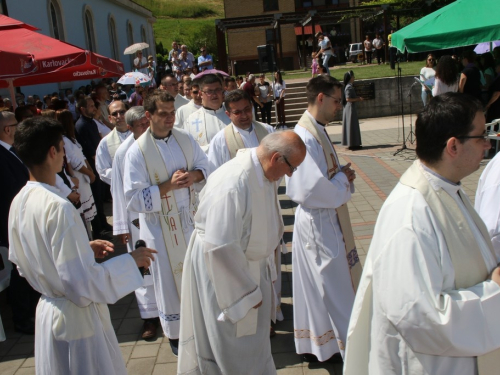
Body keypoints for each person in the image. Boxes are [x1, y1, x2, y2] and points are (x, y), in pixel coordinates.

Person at [343, 92, 500, 375]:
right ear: (453, 146)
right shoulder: (411, 215)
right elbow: (419, 316)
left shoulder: (446, 188)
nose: (488, 144)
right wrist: (495, 291)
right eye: (481, 136)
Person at [8, 116, 156, 375]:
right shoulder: (59, 207)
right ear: (54, 151)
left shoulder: (20, 199)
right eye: (62, 148)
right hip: (75, 318)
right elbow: (81, 283)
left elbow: (26, 259)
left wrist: (82, 246)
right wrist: (131, 261)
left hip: (49, 310)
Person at [178, 131, 306, 375]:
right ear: (276, 158)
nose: (290, 174)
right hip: (227, 276)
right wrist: (243, 293)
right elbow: (219, 245)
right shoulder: (233, 184)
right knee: (234, 346)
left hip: (249, 267)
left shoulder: (261, 173)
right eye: (292, 168)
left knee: (254, 345)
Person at [123, 90, 209, 356]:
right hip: (160, 227)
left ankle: (203, 328)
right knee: (169, 283)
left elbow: (206, 167)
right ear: (148, 115)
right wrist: (167, 186)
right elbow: (133, 199)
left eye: (172, 112)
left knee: (199, 275)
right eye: (163, 114)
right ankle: (177, 336)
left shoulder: (185, 139)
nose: (171, 118)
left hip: (190, 220)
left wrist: (194, 176)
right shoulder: (136, 152)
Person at [285, 75, 362, 363]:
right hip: (319, 219)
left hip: (324, 218)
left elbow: (322, 176)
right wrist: (343, 178)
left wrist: (339, 173)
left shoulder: (317, 128)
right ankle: (353, 348)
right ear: (320, 98)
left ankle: (325, 345)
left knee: (322, 286)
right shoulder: (304, 135)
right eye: (336, 100)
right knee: (335, 285)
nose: (339, 106)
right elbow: (311, 189)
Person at [111, 106, 160, 340]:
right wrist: (121, 227)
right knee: (143, 268)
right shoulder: (123, 152)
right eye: (141, 124)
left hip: (161, 215)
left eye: (147, 122)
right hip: (136, 220)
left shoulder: (158, 141)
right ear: (129, 128)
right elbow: (118, 192)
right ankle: (149, 317)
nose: (146, 127)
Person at [0, 111, 40, 335]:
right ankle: (22, 318)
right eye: (16, 126)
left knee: (27, 265)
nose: (18, 129)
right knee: (19, 268)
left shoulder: (13, 151)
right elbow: (9, 192)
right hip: (13, 222)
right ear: (8, 129)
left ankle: (32, 308)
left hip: (23, 219)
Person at [75, 97, 112, 239]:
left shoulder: (92, 122)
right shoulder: (81, 125)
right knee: (95, 198)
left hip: (99, 163)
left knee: (100, 196)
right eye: (90, 106)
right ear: (82, 109)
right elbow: (89, 149)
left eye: (93, 105)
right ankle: (98, 229)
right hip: (93, 165)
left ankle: (103, 223)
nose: (94, 108)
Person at [185, 74, 231, 153]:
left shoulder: (233, 114)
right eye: (209, 91)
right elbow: (188, 148)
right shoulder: (192, 120)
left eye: (217, 90)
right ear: (201, 94)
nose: (214, 94)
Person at [95, 101, 131, 186]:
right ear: (110, 118)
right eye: (114, 114)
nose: (119, 116)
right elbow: (103, 170)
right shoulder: (105, 143)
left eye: (122, 112)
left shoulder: (141, 135)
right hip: (122, 188)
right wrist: (126, 175)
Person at [342, 70, 364, 150]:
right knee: (352, 125)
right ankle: (352, 143)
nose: (354, 78)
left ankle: (353, 143)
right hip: (350, 108)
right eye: (353, 76)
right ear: (350, 78)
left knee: (351, 125)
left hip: (349, 107)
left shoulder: (348, 86)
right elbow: (348, 99)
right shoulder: (349, 87)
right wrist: (358, 99)